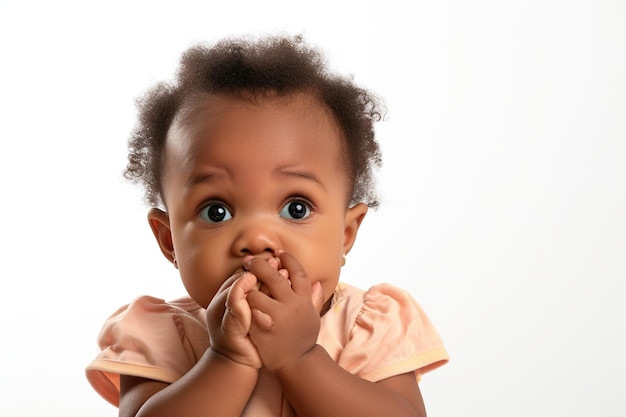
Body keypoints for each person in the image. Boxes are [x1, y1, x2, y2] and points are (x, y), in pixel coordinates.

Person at [86, 34, 448, 417]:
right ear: (169, 240)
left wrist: (301, 358)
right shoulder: (158, 334)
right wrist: (227, 362)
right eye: (216, 211)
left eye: (296, 208)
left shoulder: (369, 324)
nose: (256, 239)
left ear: (346, 233)